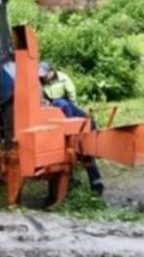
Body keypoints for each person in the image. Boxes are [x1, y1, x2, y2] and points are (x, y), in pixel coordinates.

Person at [38, 62, 105, 195]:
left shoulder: (63, 80)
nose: (43, 78)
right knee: (69, 156)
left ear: (51, 71)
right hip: (64, 118)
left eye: (45, 75)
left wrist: (69, 127)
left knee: (86, 155)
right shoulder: (41, 84)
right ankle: (71, 182)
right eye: (41, 76)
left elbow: (72, 98)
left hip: (80, 124)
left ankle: (97, 184)